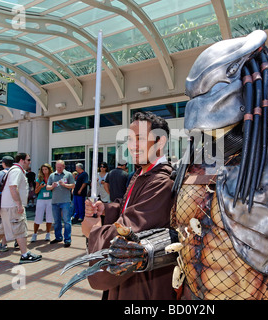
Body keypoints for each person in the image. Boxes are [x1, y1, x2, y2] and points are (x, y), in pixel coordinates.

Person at [82, 111, 176, 300]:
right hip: (129, 275)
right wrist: (106, 210)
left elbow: (131, 230)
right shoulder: (141, 174)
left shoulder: (162, 181)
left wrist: (95, 231)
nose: (132, 146)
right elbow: (128, 207)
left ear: (161, 142)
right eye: (130, 139)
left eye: (139, 139)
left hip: (143, 281)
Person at [0, 153, 42, 264]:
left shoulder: (14, 170)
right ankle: (24, 254)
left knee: (1, 230)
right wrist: (18, 204)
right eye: (28, 159)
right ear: (22, 160)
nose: (30, 162)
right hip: (12, 207)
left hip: (8, 207)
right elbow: (13, 187)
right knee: (20, 229)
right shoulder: (16, 171)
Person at [47, 160, 75, 247]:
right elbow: (47, 187)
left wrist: (64, 185)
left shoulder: (68, 174)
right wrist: (52, 186)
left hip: (65, 201)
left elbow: (73, 185)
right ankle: (58, 237)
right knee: (57, 221)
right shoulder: (52, 175)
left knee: (67, 221)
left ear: (64, 167)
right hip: (55, 201)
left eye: (60, 167)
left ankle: (67, 239)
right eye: (57, 167)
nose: (58, 169)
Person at [31, 163, 53, 242]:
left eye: (46, 169)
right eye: (43, 169)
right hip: (41, 199)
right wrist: (40, 186)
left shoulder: (52, 178)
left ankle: (48, 233)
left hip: (50, 199)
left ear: (49, 170)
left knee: (49, 217)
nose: (44, 171)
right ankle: (34, 234)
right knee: (38, 216)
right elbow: (36, 191)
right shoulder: (39, 179)